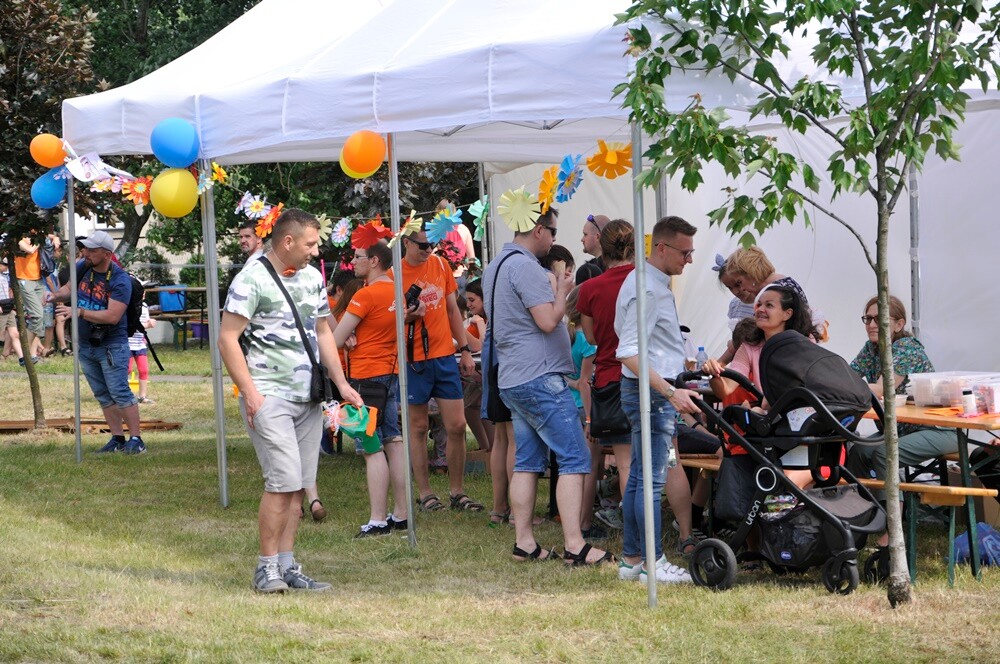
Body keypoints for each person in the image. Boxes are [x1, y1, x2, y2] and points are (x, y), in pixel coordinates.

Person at [218, 208, 362, 594]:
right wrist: (251, 393)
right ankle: (265, 568)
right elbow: (227, 338)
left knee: (299, 486)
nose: (316, 251)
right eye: (311, 244)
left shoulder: (313, 278)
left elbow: (323, 332)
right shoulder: (251, 279)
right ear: (287, 242)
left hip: (308, 397)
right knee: (281, 483)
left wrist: (342, 384)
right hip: (268, 396)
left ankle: (286, 564)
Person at [483, 206, 612, 565]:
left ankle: (524, 542)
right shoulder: (525, 267)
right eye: (552, 232)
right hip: (539, 377)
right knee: (574, 456)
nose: (554, 240)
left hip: (512, 376)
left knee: (526, 461)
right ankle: (575, 545)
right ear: (538, 229)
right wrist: (563, 290)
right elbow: (546, 320)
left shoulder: (496, 265)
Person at [614, 215, 699, 585]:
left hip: (645, 389)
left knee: (639, 478)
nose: (689, 260)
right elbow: (629, 351)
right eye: (685, 252)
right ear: (661, 248)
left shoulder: (648, 283)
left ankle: (633, 559)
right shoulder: (647, 288)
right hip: (650, 391)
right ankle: (652, 561)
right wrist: (669, 391)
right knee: (650, 481)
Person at [394, 227, 482, 513]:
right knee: (418, 427)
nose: (427, 250)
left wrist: (465, 350)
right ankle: (426, 493)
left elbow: (452, 310)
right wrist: (407, 317)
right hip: (414, 359)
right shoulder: (394, 275)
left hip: (444, 356)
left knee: (457, 425)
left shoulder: (440, 264)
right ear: (406, 243)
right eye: (422, 245)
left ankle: (457, 492)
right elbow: (390, 321)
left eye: (431, 245)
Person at [845, 295, 955, 513]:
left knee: (884, 454)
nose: (872, 325)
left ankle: (892, 526)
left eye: (879, 319)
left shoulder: (907, 348)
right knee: (858, 452)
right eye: (868, 319)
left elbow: (880, 389)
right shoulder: (871, 348)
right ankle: (862, 515)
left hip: (937, 429)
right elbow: (848, 377)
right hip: (900, 428)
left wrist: (842, 384)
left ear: (899, 324)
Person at [703, 285, 821, 488]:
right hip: (773, 430)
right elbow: (726, 389)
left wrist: (763, 407)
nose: (760, 309)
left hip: (801, 426)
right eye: (758, 305)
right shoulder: (749, 348)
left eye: (769, 305)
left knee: (793, 478)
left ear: (787, 313)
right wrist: (714, 373)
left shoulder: (805, 343)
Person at [334, 241, 410, 537]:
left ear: (375, 260)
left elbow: (336, 339)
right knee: (393, 438)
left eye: (358, 256)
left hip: (366, 376)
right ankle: (401, 513)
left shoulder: (365, 295)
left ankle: (378, 519)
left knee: (371, 446)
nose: (354, 261)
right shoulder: (397, 291)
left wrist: (349, 331)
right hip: (390, 372)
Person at [50, 230, 145, 454]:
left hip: (112, 345)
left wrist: (79, 312)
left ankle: (137, 440)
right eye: (86, 249)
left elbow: (113, 316)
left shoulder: (121, 280)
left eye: (92, 250)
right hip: (86, 345)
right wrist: (54, 296)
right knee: (102, 394)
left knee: (120, 392)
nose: (86, 253)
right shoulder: (85, 266)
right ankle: (117, 439)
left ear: (107, 254)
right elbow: (68, 289)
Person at [576, 220, 636, 532]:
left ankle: (632, 532)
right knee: (668, 461)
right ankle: (678, 533)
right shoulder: (645, 281)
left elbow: (593, 337)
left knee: (623, 462)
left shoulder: (590, 288)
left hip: (611, 378)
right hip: (649, 376)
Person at [14, 234, 46, 362]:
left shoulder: (37, 235)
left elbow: (52, 237)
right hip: (25, 280)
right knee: (38, 316)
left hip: (38, 280)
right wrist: (40, 240)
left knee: (37, 319)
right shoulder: (19, 241)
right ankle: (24, 351)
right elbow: (30, 250)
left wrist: (53, 238)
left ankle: (32, 354)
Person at [128, 301, 156, 404]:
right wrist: (146, 324)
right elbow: (130, 325)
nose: (143, 293)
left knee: (144, 370)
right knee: (127, 370)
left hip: (140, 344)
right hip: (128, 344)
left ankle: (142, 397)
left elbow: (145, 323)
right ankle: (123, 396)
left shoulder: (144, 306)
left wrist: (150, 323)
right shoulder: (128, 305)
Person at [0, 260, 26, 364]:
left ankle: (22, 358)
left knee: (14, 333)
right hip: (1, 308)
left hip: (7, 307)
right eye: (4, 264)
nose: (6, 267)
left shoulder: (5, 277)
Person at [575, 214, 610, 284]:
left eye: (585, 234)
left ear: (597, 237)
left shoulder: (591, 272)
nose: (582, 239)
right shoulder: (615, 264)